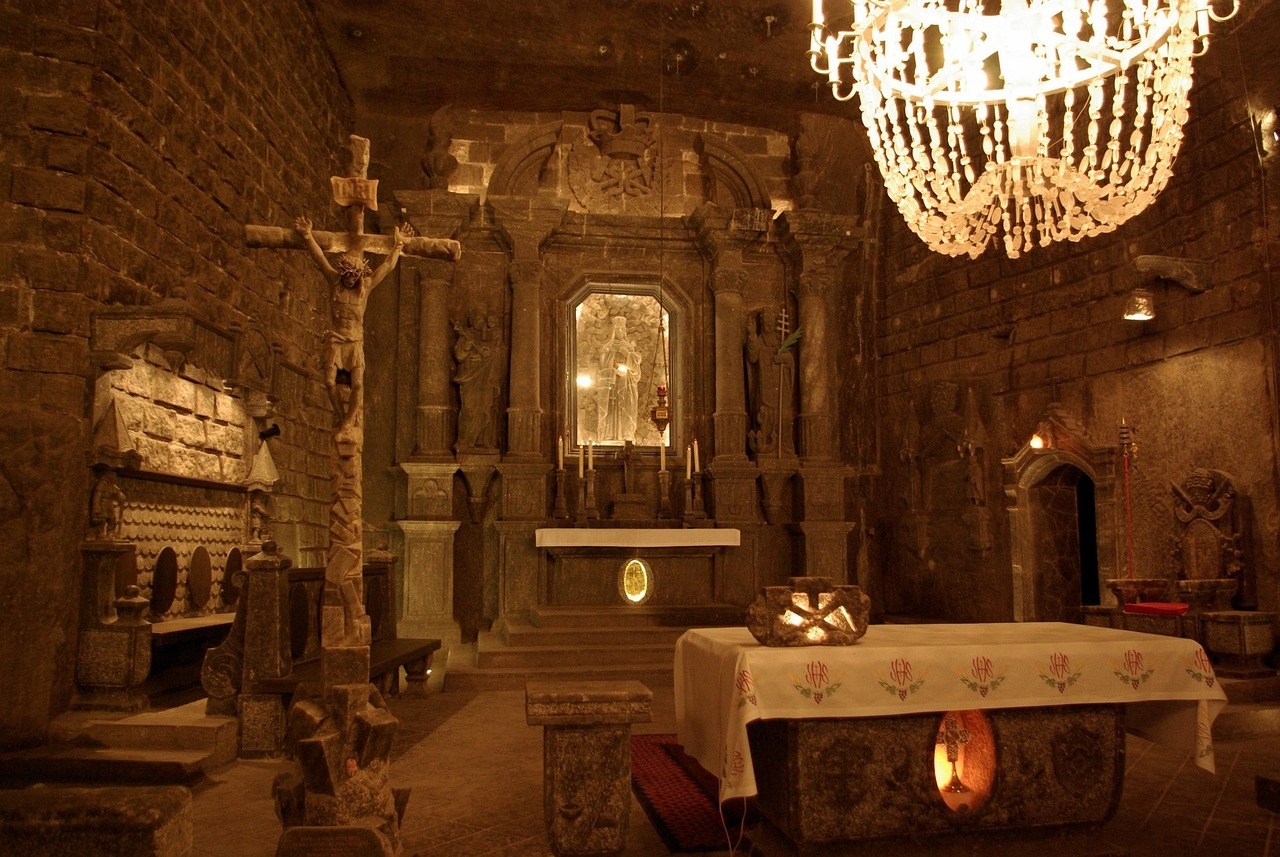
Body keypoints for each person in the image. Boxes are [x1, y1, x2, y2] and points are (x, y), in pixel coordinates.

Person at [295, 215, 410, 427]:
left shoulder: (365, 287)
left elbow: (387, 266)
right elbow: (319, 258)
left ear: (358, 276)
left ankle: (349, 420)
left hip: (354, 341)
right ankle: (341, 415)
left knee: (357, 384)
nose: (350, 280)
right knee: (329, 382)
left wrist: (398, 245)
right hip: (336, 340)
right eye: (347, 276)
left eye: (354, 277)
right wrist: (307, 236)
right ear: (343, 273)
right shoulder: (334, 282)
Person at [453, 304, 500, 450]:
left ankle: (482, 440)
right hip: (470, 377)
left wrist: (490, 355)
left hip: (486, 378)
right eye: (478, 318)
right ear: (472, 320)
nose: (481, 322)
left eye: (483, 319)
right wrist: (466, 348)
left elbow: (498, 353)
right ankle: (465, 440)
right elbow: (459, 356)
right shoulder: (466, 334)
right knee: (468, 408)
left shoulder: (490, 335)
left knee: (485, 408)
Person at [596, 316, 642, 442]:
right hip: (611, 385)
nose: (620, 331)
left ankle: (626, 434)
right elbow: (602, 368)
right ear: (614, 331)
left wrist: (628, 355)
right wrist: (614, 371)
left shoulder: (629, 348)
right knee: (611, 408)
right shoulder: (607, 348)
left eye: (622, 329)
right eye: (617, 329)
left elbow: (636, 370)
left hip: (627, 383)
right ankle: (609, 434)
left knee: (627, 407)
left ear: (625, 330)